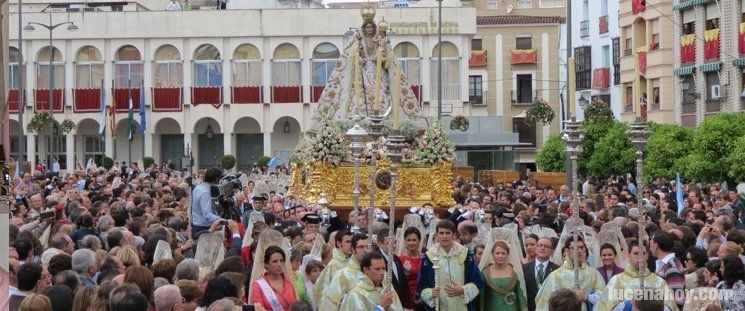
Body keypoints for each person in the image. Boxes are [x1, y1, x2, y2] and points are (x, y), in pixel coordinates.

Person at [417, 219, 485, 311]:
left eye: (448, 233)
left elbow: (478, 281)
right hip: (439, 306)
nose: (444, 236)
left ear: (453, 234)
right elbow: (421, 285)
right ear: (437, 235)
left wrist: (463, 289)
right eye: (441, 233)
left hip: (461, 305)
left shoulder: (465, 255)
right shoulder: (429, 257)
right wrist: (430, 293)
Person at [594, 239, 678, 311]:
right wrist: (629, 303)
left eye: (643, 253)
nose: (640, 257)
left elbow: (670, 307)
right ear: (629, 255)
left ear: (647, 256)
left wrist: (652, 303)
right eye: (636, 253)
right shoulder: (616, 281)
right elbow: (604, 307)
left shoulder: (659, 281)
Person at [534, 236, 605, 311]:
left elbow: (604, 298)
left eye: (582, 247)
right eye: (575, 248)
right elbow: (544, 303)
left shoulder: (594, 273)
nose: (580, 251)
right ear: (567, 251)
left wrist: (586, 297)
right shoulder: (556, 276)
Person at [319, 233, 370, 311]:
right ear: (353, 249)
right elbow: (331, 303)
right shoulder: (342, 275)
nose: (365, 250)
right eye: (361, 247)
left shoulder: (378, 271)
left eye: (368, 247)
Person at [339, 252, 404, 310]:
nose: (382, 272)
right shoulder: (356, 295)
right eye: (377, 269)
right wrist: (381, 307)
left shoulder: (387, 290)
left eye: (383, 268)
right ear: (366, 270)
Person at [480, 240, 527, 311]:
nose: (500, 256)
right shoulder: (485, 273)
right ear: (492, 255)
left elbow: (520, 294)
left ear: (508, 255)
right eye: (497, 253)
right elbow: (481, 296)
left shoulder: (515, 271)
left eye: (503, 253)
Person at [249, 245, 298, 310]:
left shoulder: (290, 280)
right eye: (275, 261)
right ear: (266, 264)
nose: (279, 265)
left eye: (281, 260)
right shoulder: (258, 286)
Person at [312, 229, 353, 304]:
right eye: (347, 242)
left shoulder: (354, 261)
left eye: (352, 242)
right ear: (339, 243)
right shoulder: (333, 264)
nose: (351, 245)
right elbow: (321, 290)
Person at [650, 231, 685, 308]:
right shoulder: (664, 263)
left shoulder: (671, 267)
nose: (650, 247)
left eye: (651, 243)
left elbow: (677, 299)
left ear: (655, 246)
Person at [523, 237, 559, 311]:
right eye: (540, 245)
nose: (543, 248)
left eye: (546, 246)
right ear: (536, 248)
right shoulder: (524, 268)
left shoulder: (557, 270)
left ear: (551, 251)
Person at [191, 168, 223, 239]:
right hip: (203, 227)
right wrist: (220, 220)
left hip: (197, 225)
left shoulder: (198, 187)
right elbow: (206, 213)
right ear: (216, 179)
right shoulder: (205, 192)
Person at [399, 226, 423, 308]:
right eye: (408, 240)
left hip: (424, 297)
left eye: (414, 240)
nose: (411, 243)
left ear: (419, 241)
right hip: (408, 298)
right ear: (405, 241)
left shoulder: (424, 257)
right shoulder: (401, 260)